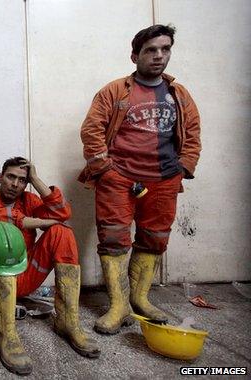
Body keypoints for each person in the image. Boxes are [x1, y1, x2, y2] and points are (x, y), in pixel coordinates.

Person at [79, 24, 201, 334]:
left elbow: (193, 132)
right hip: (118, 178)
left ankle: (139, 298)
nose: (159, 56)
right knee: (113, 239)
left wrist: (184, 166)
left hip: (164, 179)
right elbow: (92, 130)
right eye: (151, 50)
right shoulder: (115, 91)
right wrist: (105, 169)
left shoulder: (179, 94)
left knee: (155, 238)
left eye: (165, 49)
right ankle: (118, 306)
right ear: (135, 55)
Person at [0, 157, 100, 374]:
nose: (15, 184)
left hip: (24, 275)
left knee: (62, 232)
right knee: (4, 240)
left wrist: (36, 180)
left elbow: (62, 213)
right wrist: (41, 222)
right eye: (11, 177)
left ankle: (68, 322)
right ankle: (6, 333)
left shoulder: (29, 199)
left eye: (22, 180)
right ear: (0, 177)